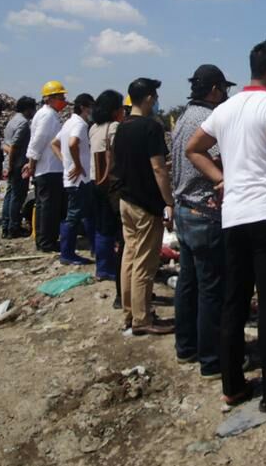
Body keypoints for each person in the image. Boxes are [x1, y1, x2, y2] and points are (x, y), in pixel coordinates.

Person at [186, 40, 266, 412]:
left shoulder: (226, 109)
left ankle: (233, 387)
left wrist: (221, 180)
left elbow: (194, 148)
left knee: (233, 302)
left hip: (234, 218)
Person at [170, 64, 235, 378]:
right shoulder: (210, 120)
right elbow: (220, 158)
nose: (226, 96)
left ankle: (186, 348)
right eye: (224, 90)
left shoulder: (183, 116)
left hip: (183, 210)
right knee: (211, 288)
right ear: (214, 90)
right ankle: (211, 361)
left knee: (188, 282)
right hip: (204, 212)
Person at [111, 78, 174, 336]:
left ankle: (129, 312)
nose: (157, 101)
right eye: (155, 96)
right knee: (145, 263)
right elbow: (158, 167)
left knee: (129, 256)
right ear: (148, 98)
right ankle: (142, 319)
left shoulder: (122, 127)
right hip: (146, 203)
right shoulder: (151, 128)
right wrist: (168, 201)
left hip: (126, 200)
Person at [90, 89, 126, 303]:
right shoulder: (114, 128)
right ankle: (114, 269)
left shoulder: (94, 127)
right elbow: (117, 156)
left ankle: (103, 266)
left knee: (102, 227)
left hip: (95, 182)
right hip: (110, 183)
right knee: (119, 228)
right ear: (115, 110)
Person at [23, 81, 67, 253]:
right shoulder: (47, 116)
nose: (63, 100)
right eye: (60, 97)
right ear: (50, 98)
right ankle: (47, 242)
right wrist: (31, 162)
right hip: (48, 168)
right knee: (49, 207)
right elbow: (38, 140)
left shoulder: (47, 114)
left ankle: (43, 240)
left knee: (44, 206)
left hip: (48, 167)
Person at [56, 93, 96, 265]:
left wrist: (66, 162)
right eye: (90, 107)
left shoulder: (68, 123)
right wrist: (77, 165)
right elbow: (72, 144)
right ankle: (67, 253)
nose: (92, 110)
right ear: (83, 108)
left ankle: (94, 246)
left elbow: (54, 143)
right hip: (79, 179)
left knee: (87, 213)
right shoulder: (79, 124)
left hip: (75, 177)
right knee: (74, 216)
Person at [1, 96, 36, 238]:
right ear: (28, 109)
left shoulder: (12, 120)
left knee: (10, 195)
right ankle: (13, 228)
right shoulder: (23, 123)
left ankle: (6, 225)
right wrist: (11, 165)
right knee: (18, 196)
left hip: (11, 164)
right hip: (17, 165)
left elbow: (5, 144)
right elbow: (14, 146)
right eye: (33, 109)